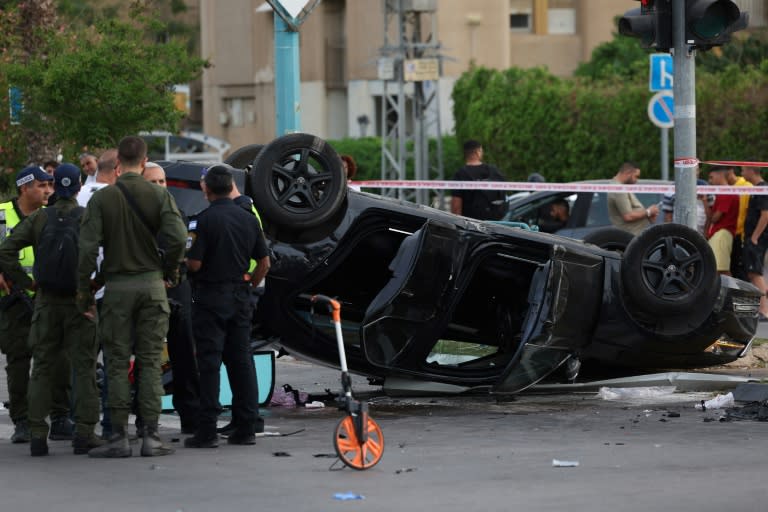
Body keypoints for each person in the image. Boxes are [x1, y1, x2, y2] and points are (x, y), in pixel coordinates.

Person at [77, 136, 187, 457]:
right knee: (151, 361)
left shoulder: (103, 200)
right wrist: (170, 272)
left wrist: (85, 290)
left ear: (116, 163)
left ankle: (118, 437)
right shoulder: (158, 195)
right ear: (144, 160)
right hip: (153, 286)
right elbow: (178, 238)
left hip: (117, 290)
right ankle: (150, 436)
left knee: (116, 361)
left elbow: (86, 250)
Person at [0, 164, 102, 456]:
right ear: (80, 187)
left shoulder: (41, 218)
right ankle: (84, 433)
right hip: (79, 301)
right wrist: (96, 284)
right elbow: (108, 253)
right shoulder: (87, 217)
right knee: (83, 367)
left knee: (41, 368)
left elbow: (5, 251)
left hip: (45, 301)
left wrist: (25, 281)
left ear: (55, 185)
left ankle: (36, 435)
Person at [184, 164, 270, 448]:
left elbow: (194, 262)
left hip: (210, 297)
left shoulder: (202, 221)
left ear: (206, 189)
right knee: (241, 360)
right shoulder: (248, 219)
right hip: (240, 295)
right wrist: (250, 282)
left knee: (209, 362)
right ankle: (246, 426)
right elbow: (265, 262)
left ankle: (207, 429)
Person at [0, 166, 73, 444]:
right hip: (13, 301)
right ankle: (22, 420)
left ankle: (60, 416)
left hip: (47, 298)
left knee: (59, 358)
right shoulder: (2, 213)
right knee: (19, 362)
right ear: (24, 187)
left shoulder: (50, 215)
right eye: (42, 186)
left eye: (50, 186)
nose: (48, 191)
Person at [142, 162, 201, 434]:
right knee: (148, 357)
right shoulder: (134, 214)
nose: (159, 187)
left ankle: (190, 415)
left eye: (162, 182)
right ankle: (146, 419)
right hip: (149, 290)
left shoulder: (175, 210)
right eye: (152, 182)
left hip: (176, 288)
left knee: (183, 354)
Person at [450, 140, 507, 220]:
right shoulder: (493, 171)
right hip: (495, 224)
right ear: (478, 151)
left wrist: (457, 225)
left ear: (465, 153)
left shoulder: (460, 174)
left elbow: (456, 205)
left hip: (471, 225)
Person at [741, 164, 768, 320]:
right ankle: (762, 308)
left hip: (758, 238)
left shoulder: (762, 188)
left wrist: (754, 237)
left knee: (755, 273)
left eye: (743, 169)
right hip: (754, 237)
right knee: (753, 273)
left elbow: (766, 215)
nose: (742, 172)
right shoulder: (756, 188)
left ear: (752, 170)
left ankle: (764, 311)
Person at [607, 161, 658, 235]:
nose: (636, 180)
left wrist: (648, 215)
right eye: (636, 176)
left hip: (632, 237)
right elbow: (628, 216)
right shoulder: (618, 188)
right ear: (628, 173)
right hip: (629, 238)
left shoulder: (621, 186)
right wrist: (648, 211)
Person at [706, 168, 739, 276]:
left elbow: (715, 218)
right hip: (720, 233)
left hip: (722, 233)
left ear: (720, 175)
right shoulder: (724, 192)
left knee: (720, 269)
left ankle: (731, 292)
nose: (710, 181)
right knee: (718, 268)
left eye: (712, 177)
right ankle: (727, 292)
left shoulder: (726, 192)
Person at [660, 169, 712, 236]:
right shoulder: (671, 189)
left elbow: (711, 215)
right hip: (679, 234)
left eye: (695, 169)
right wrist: (671, 236)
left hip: (702, 235)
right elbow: (668, 217)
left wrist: (705, 234)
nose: (690, 172)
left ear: (698, 171)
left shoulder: (706, 187)